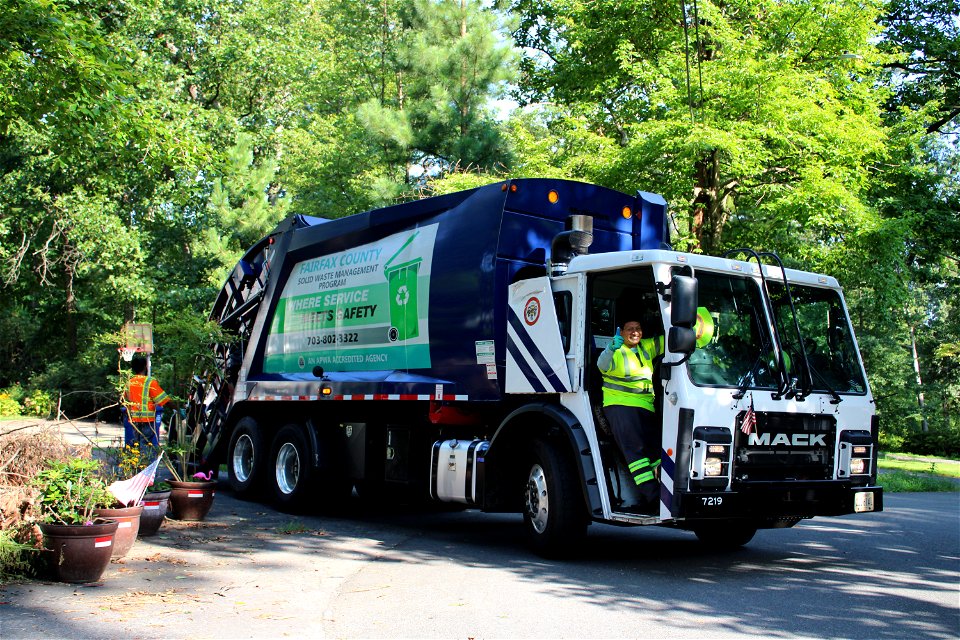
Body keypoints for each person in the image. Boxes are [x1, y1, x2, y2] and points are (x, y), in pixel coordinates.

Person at [596, 321, 665, 511]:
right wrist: (610, 348)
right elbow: (601, 365)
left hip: (645, 407)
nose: (635, 332)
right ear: (622, 333)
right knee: (636, 455)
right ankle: (653, 498)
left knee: (655, 453)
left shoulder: (647, 346)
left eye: (638, 328)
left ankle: (665, 495)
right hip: (620, 406)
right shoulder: (615, 350)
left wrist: (696, 329)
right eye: (630, 329)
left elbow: (670, 340)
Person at [123, 355, 171, 448]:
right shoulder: (150, 382)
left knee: (136, 445)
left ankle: (136, 461)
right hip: (147, 420)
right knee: (144, 445)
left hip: (134, 419)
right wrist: (177, 409)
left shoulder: (129, 382)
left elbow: (125, 399)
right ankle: (143, 462)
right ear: (145, 366)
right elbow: (163, 400)